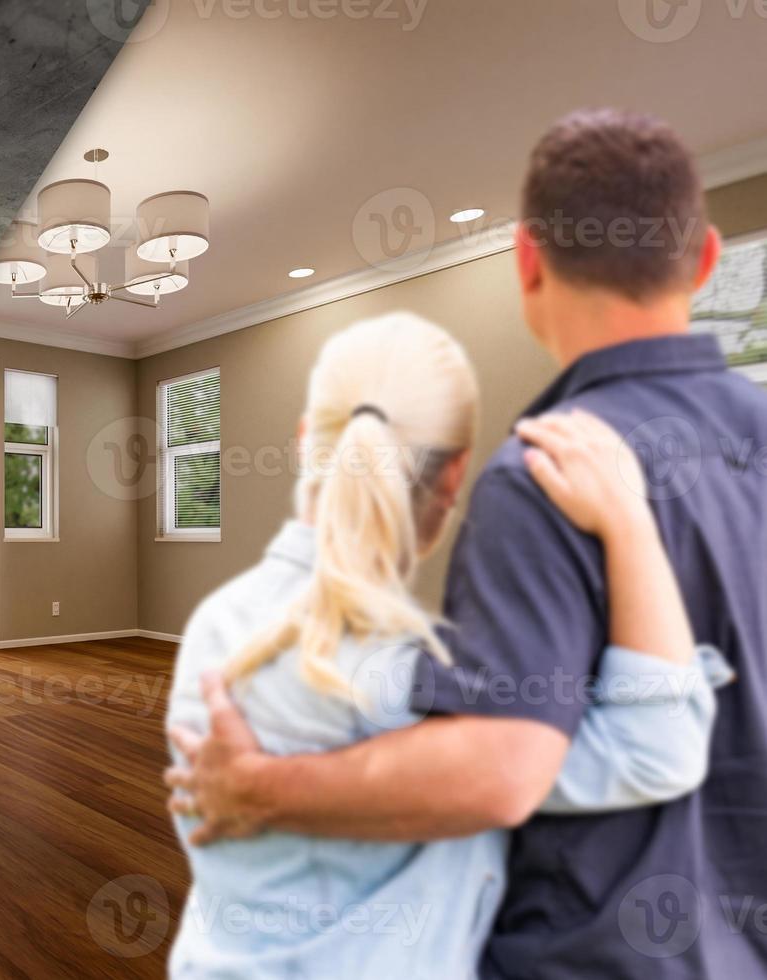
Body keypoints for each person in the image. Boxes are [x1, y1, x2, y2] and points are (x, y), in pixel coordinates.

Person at [166, 109, 767, 977]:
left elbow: (501, 767)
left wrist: (258, 786)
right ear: (706, 259)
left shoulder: (542, 473)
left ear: (526, 258)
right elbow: (625, 750)